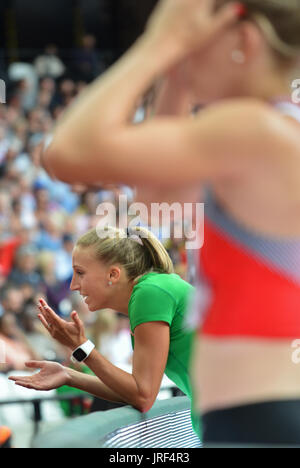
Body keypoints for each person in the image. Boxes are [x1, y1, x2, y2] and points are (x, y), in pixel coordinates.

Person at [39, 0, 300, 445]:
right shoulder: (272, 129)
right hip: (261, 408)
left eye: (200, 45)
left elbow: (66, 152)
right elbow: (156, 193)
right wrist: (177, 73)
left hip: (264, 412)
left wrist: (160, 44)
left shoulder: (252, 128)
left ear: (245, 41)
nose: (190, 53)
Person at [9, 226, 200, 438]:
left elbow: (143, 396)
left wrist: (81, 347)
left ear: (113, 274)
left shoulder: (149, 293)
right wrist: (69, 376)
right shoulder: (151, 290)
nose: (73, 285)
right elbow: (134, 391)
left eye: (80, 273)